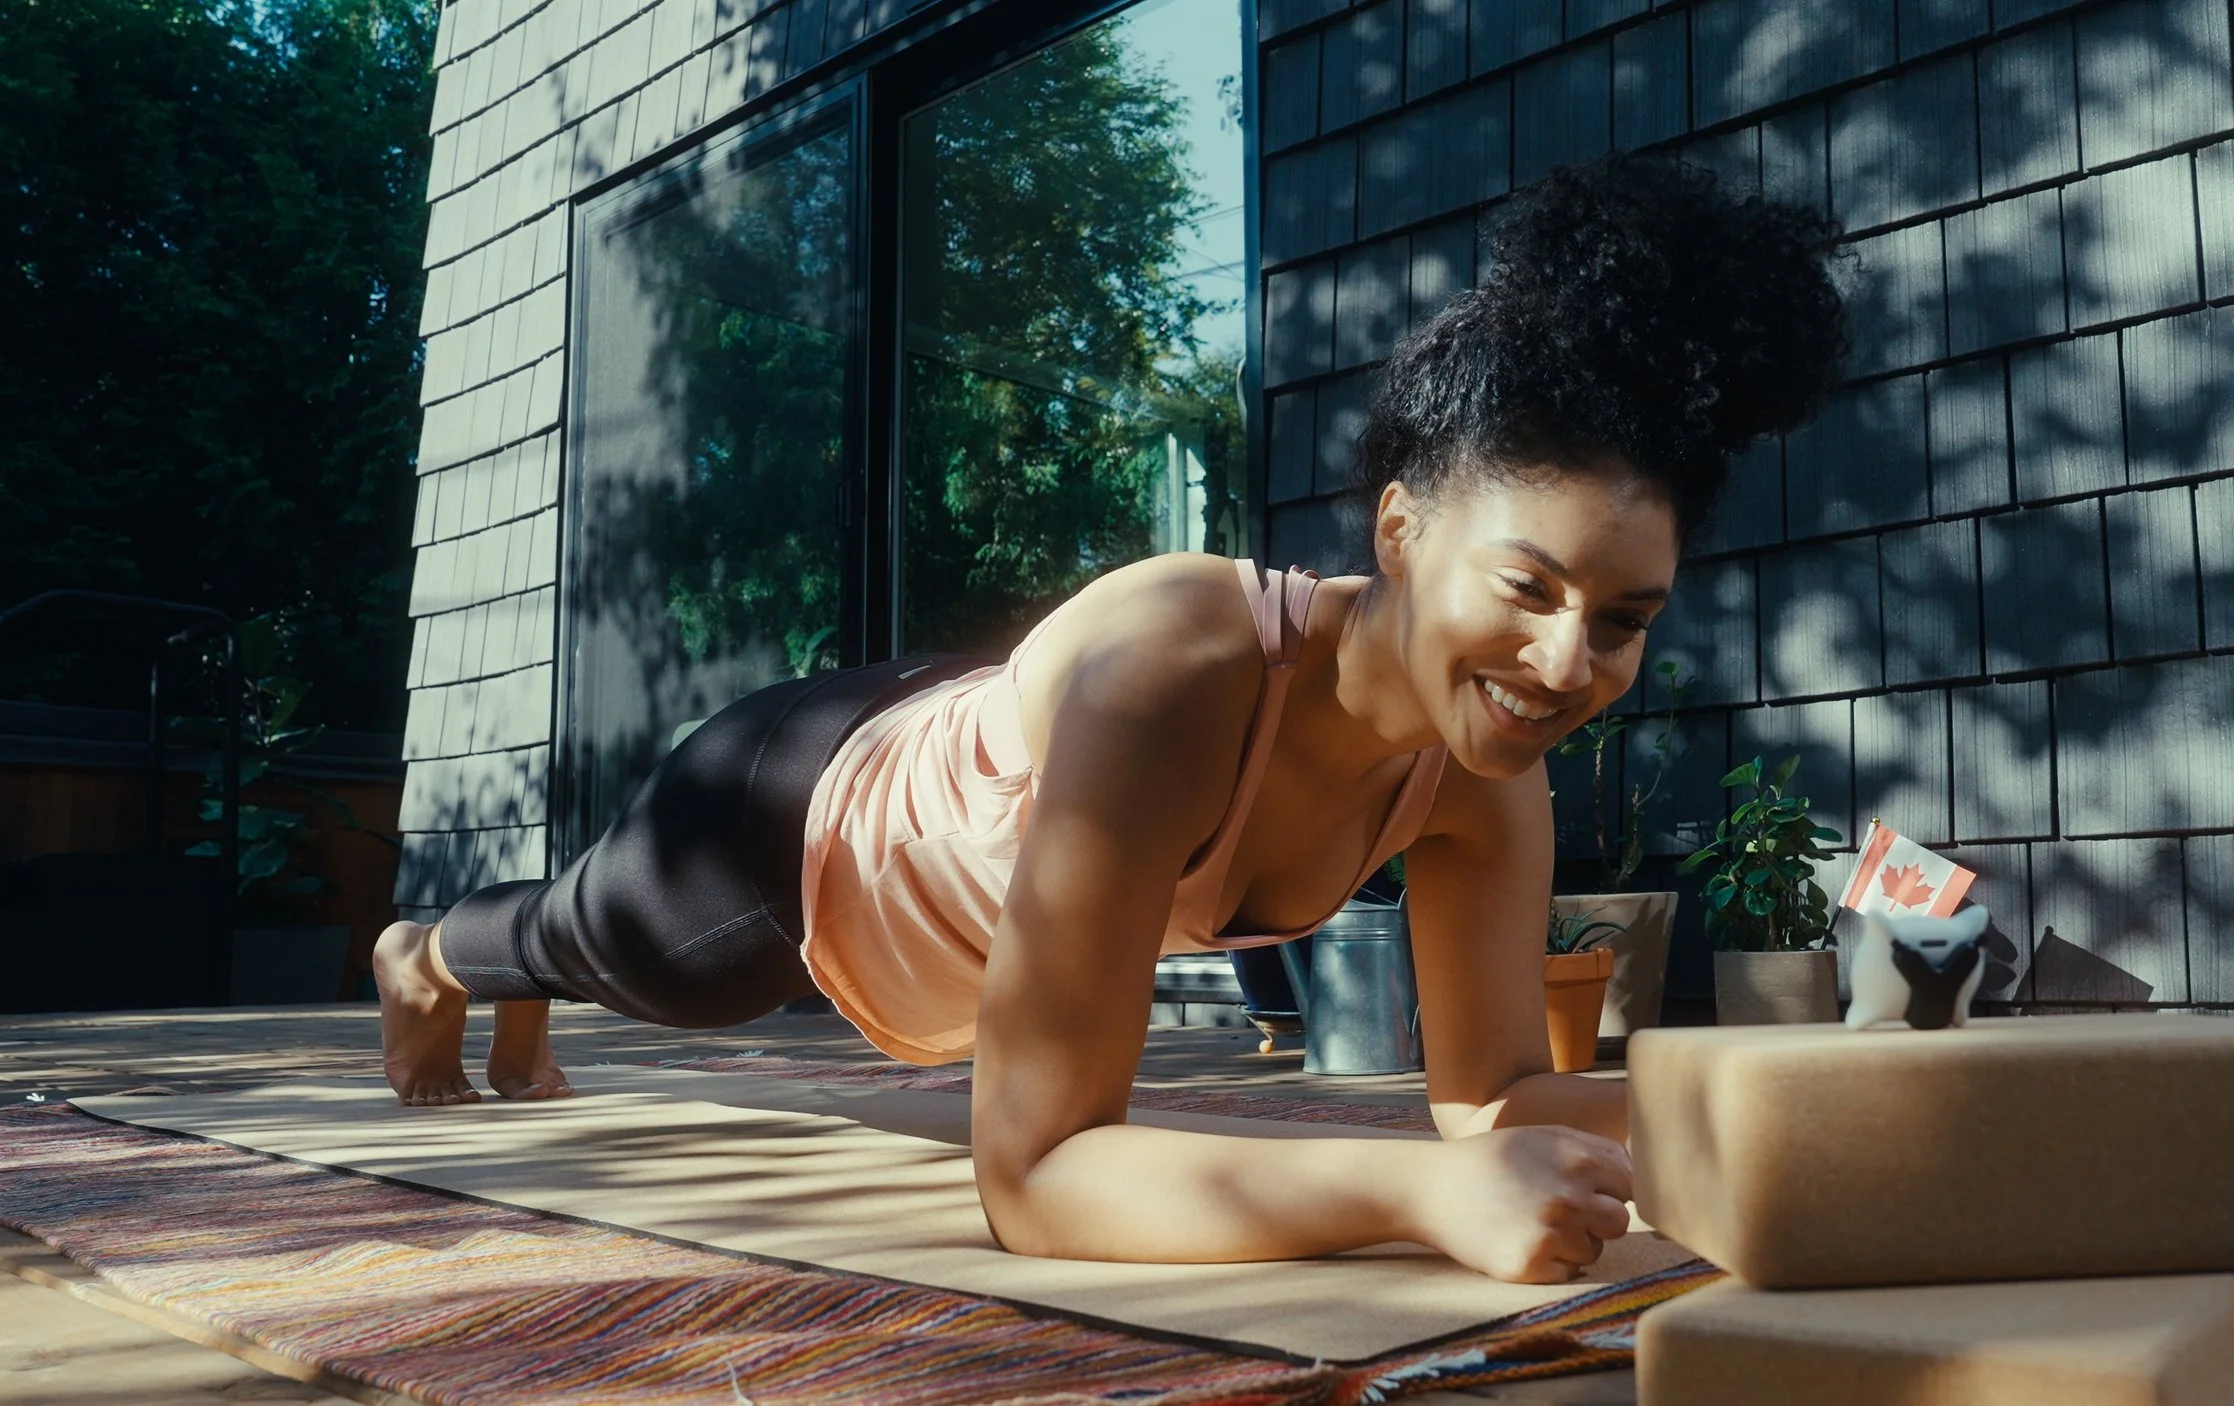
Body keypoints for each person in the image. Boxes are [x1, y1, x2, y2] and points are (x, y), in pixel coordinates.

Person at [373, 150, 1849, 1285]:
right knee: (612, 949)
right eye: (1526, 585)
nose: (1565, 658)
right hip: (790, 820)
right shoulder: (1184, 668)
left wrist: (1786, 1111)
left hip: (973, 742)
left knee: (600, 956)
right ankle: (432, 955)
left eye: (1627, 618)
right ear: (1399, 531)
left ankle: (504, 991)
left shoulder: (1480, 776)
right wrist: (1417, 1195)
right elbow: (1032, 1177)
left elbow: (1497, 1093)